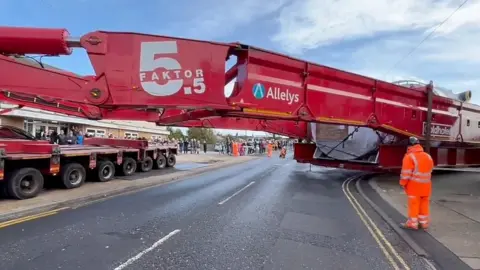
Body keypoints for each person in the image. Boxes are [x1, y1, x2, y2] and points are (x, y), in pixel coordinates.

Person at [400, 136, 434, 230]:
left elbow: (406, 173)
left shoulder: (409, 157)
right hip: (426, 186)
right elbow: (430, 170)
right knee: (424, 204)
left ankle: (412, 223)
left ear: (409, 146)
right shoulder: (428, 156)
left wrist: (402, 183)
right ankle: (423, 223)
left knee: (414, 205)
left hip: (414, 186)